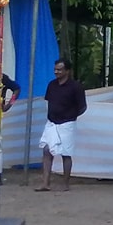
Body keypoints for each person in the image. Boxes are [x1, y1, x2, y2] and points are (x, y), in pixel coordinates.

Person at [35, 57, 88, 192]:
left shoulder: (76, 87)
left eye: (59, 70)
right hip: (52, 122)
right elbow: (48, 101)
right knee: (47, 150)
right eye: (55, 69)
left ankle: (65, 184)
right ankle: (45, 183)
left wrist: (70, 116)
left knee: (66, 153)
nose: (56, 72)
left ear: (67, 71)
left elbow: (82, 107)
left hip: (67, 124)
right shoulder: (51, 85)